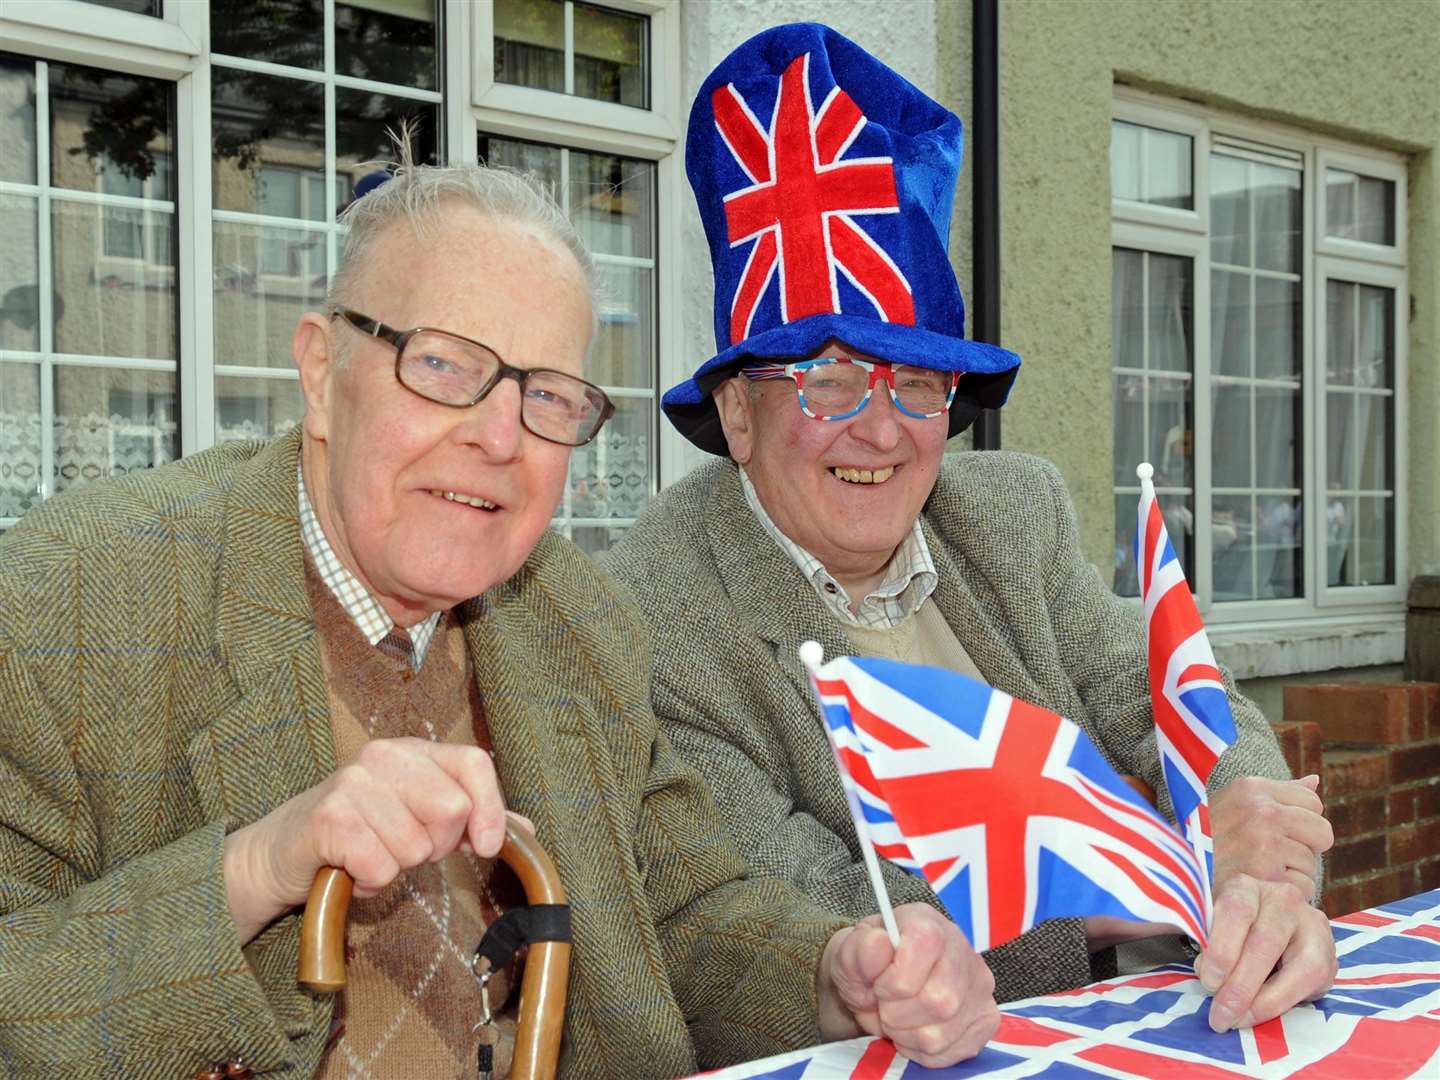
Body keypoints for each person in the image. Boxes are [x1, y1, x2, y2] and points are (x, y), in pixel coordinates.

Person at [0, 154, 999, 1076]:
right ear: (319, 372)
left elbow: (683, 909)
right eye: (441, 365)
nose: (495, 439)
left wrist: (834, 971)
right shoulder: (72, 601)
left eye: (548, 398)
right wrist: (259, 866)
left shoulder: (579, 618)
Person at [602, 22, 1337, 1036]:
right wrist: (1121, 887)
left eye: (916, 381)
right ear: (736, 411)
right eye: (828, 378)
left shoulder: (1010, 512)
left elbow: (1161, 691)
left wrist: (1244, 819)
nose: (882, 426)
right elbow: (797, 908)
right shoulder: (657, 612)